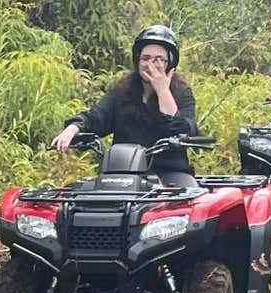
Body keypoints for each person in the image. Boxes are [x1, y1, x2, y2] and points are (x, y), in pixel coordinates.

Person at [50, 25, 201, 189]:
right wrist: (74, 128)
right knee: (74, 197)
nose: (151, 64)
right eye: (145, 58)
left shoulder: (181, 92)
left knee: (190, 202)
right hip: (120, 173)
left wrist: (162, 89)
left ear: (170, 62)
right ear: (137, 60)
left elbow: (184, 130)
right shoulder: (122, 90)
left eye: (159, 59)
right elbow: (97, 116)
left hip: (169, 172)